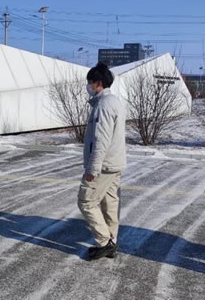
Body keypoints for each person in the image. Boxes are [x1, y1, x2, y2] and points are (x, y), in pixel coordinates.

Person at [78, 62, 126, 260]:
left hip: (103, 165)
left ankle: (104, 241)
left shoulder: (104, 105)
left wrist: (93, 168)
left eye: (90, 83)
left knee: (86, 201)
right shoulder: (114, 102)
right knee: (109, 204)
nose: (88, 86)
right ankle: (111, 241)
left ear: (98, 83)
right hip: (114, 163)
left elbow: (101, 140)